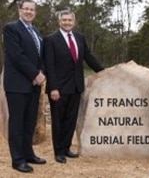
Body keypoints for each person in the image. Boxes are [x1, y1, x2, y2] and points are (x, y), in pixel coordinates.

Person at [43, 9, 104, 164]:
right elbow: (49, 65)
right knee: (58, 121)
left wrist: (105, 72)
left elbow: (88, 57)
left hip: (76, 86)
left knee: (71, 120)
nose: (67, 22)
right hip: (59, 88)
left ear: (73, 21)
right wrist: (53, 88)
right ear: (59, 21)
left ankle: (66, 148)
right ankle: (58, 152)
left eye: (70, 20)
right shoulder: (50, 40)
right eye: (64, 20)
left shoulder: (79, 38)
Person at [2, 0, 46, 173]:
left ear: (35, 12)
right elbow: (17, 56)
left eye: (32, 9)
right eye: (26, 9)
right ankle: (17, 160)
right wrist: (35, 74)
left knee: (29, 123)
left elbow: (40, 56)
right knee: (17, 123)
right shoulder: (11, 29)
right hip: (17, 85)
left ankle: (28, 154)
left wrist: (41, 73)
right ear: (19, 10)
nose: (29, 12)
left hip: (34, 85)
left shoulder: (36, 31)